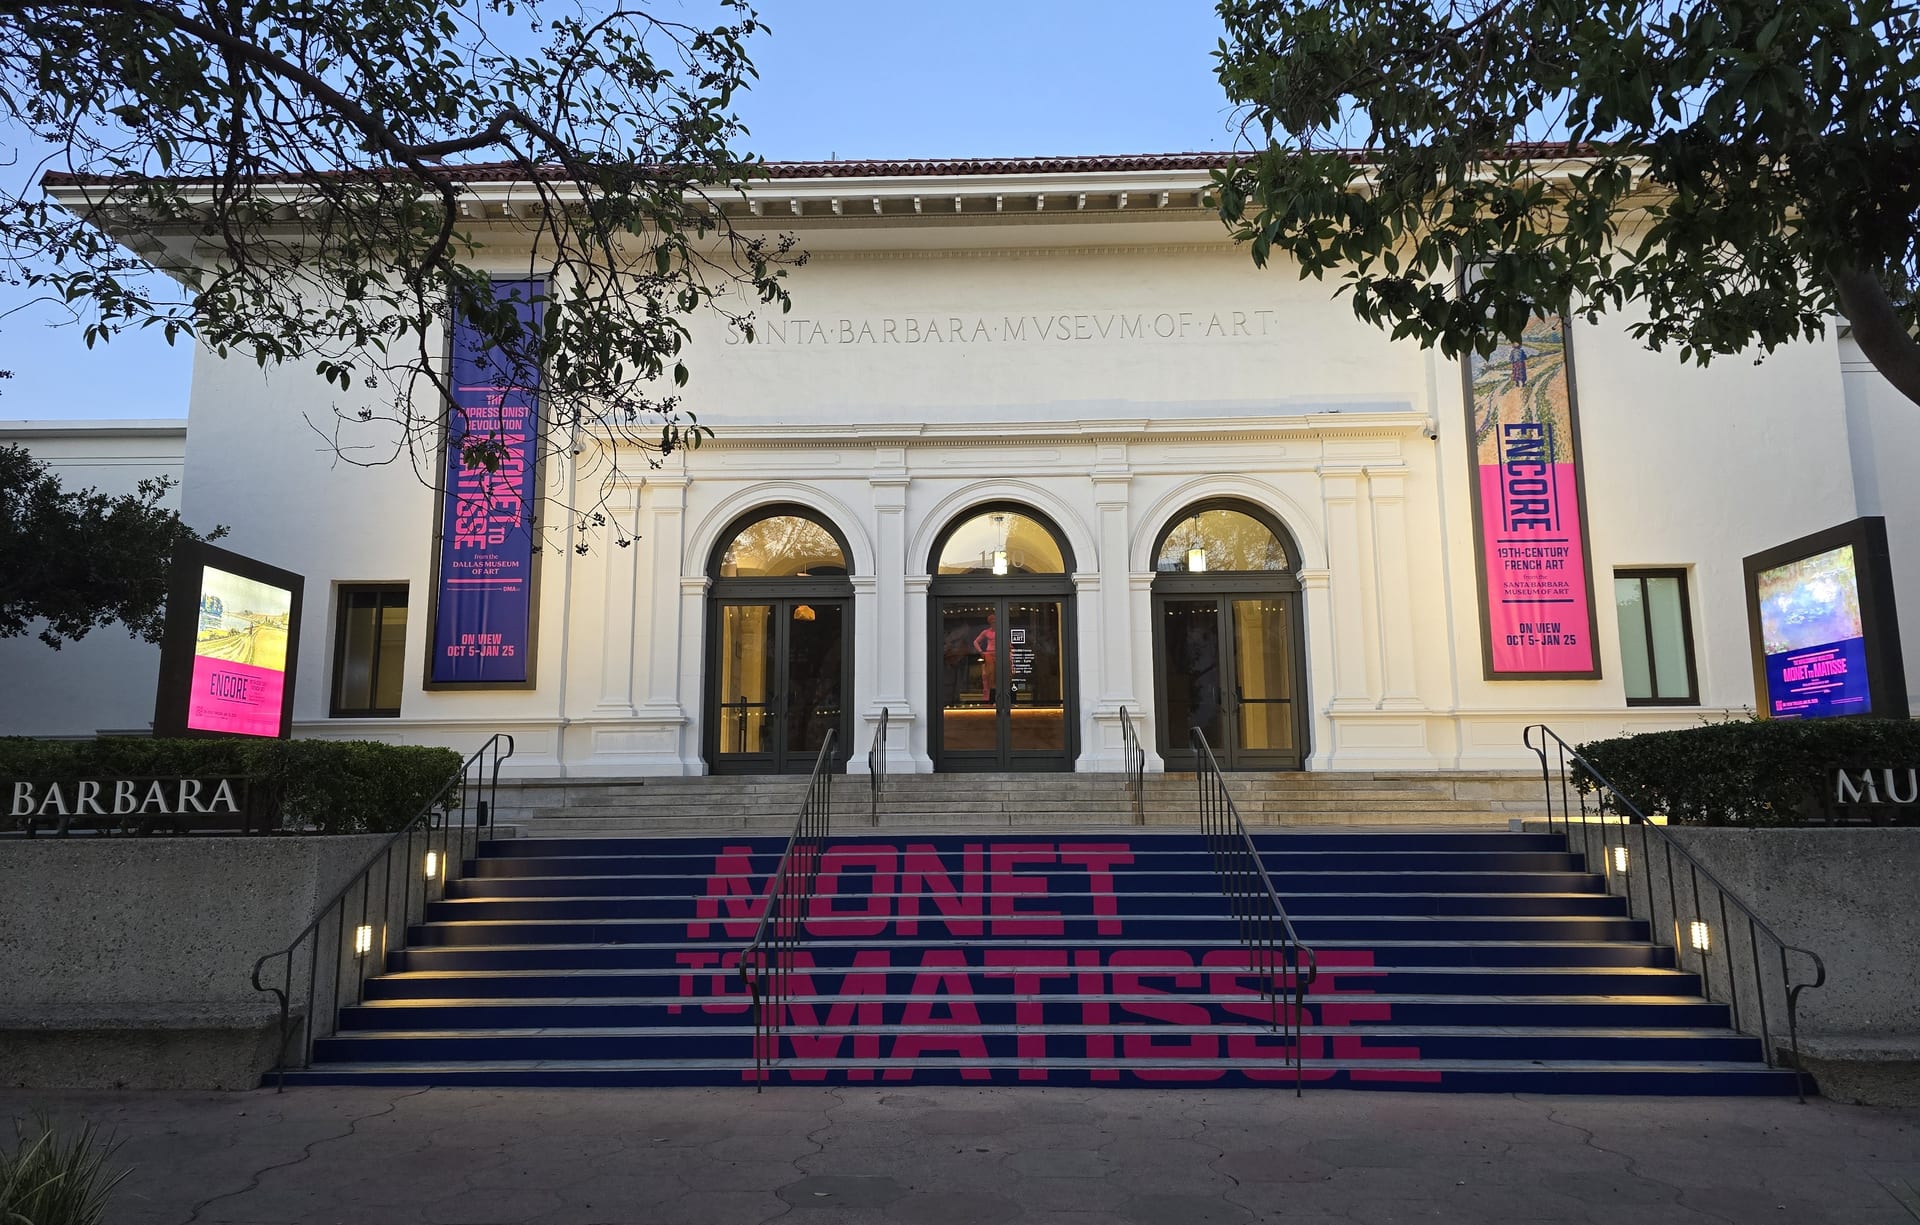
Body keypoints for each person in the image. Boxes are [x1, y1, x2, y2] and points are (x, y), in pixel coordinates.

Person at [972, 614, 997, 703]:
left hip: (999, 654)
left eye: (995, 621)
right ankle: (989, 698)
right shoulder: (986, 632)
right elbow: (975, 642)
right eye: (992, 621)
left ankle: (996, 698)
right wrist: (981, 652)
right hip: (989, 654)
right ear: (990, 622)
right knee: (989, 675)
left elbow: (1008, 643)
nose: (994, 622)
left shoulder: (1001, 631)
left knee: (999, 675)